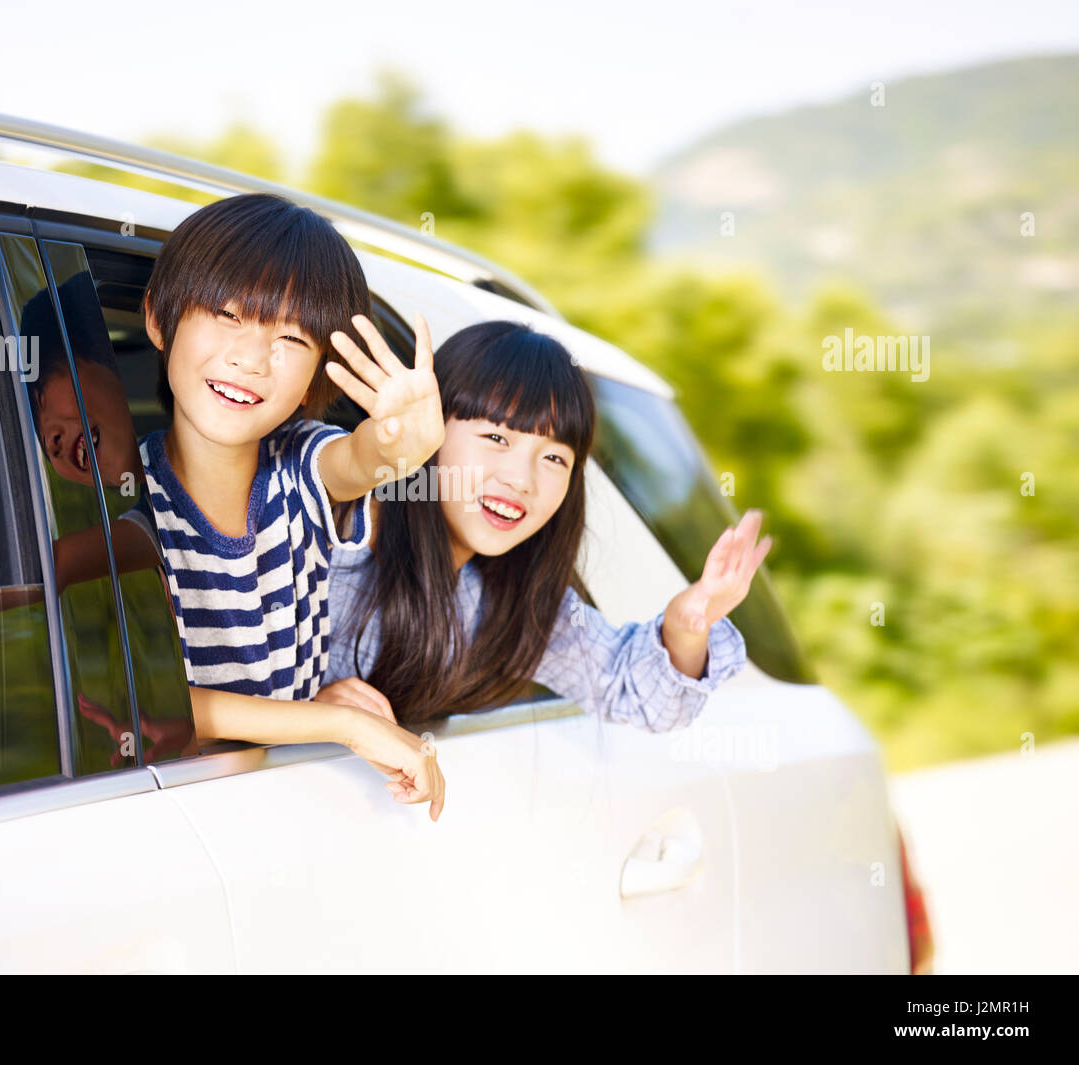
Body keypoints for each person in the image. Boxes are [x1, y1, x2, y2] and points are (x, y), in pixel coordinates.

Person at [318, 321, 771, 799]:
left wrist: (685, 625)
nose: (521, 479)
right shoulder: (326, 525)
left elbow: (636, 693)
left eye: (554, 458)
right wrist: (316, 714)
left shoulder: (511, 604)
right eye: (496, 438)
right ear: (429, 427)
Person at [137, 193, 448, 818]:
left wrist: (402, 447)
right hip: (174, 819)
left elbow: (360, 461)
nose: (251, 358)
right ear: (157, 319)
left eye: (290, 337)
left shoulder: (300, 465)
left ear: (318, 377)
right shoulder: (119, 500)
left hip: (292, 810)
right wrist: (333, 724)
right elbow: (149, 703)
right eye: (227, 314)